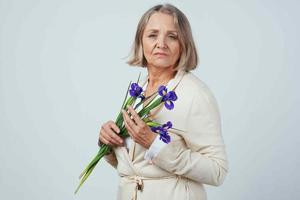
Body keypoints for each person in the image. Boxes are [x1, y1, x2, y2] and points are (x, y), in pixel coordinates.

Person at [98, 3, 228, 200]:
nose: (161, 43)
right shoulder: (138, 89)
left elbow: (218, 171)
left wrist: (155, 144)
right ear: (141, 42)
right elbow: (136, 165)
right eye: (152, 35)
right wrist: (109, 143)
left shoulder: (196, 94)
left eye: (172, 36)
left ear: (184, 44)